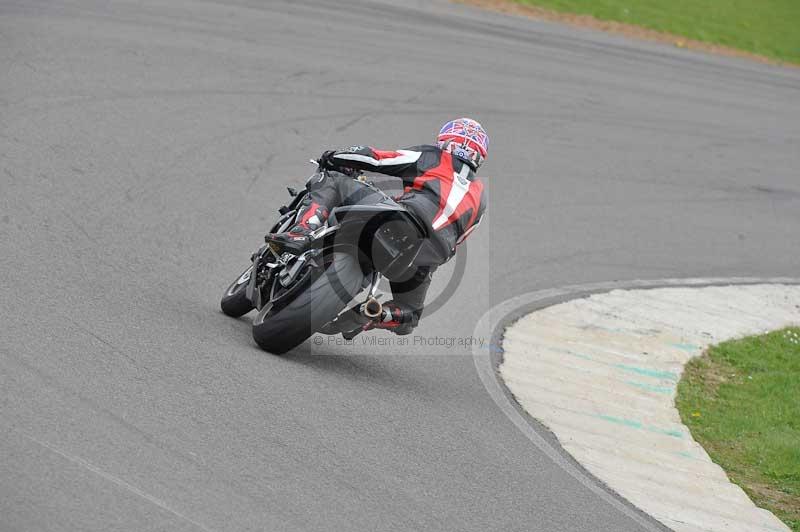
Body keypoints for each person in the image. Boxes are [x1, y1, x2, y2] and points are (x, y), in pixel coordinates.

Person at [266, 118, 488, 335]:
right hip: (430, 254)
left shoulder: (434, 157)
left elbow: (378, 159)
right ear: (479, 157)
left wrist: (335, 157)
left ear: (445, 142)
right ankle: (376, 314)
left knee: (333, 178)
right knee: (409, 315)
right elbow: (458, 241)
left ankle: (301, 231)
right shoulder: (481, 198)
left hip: (401, 219)